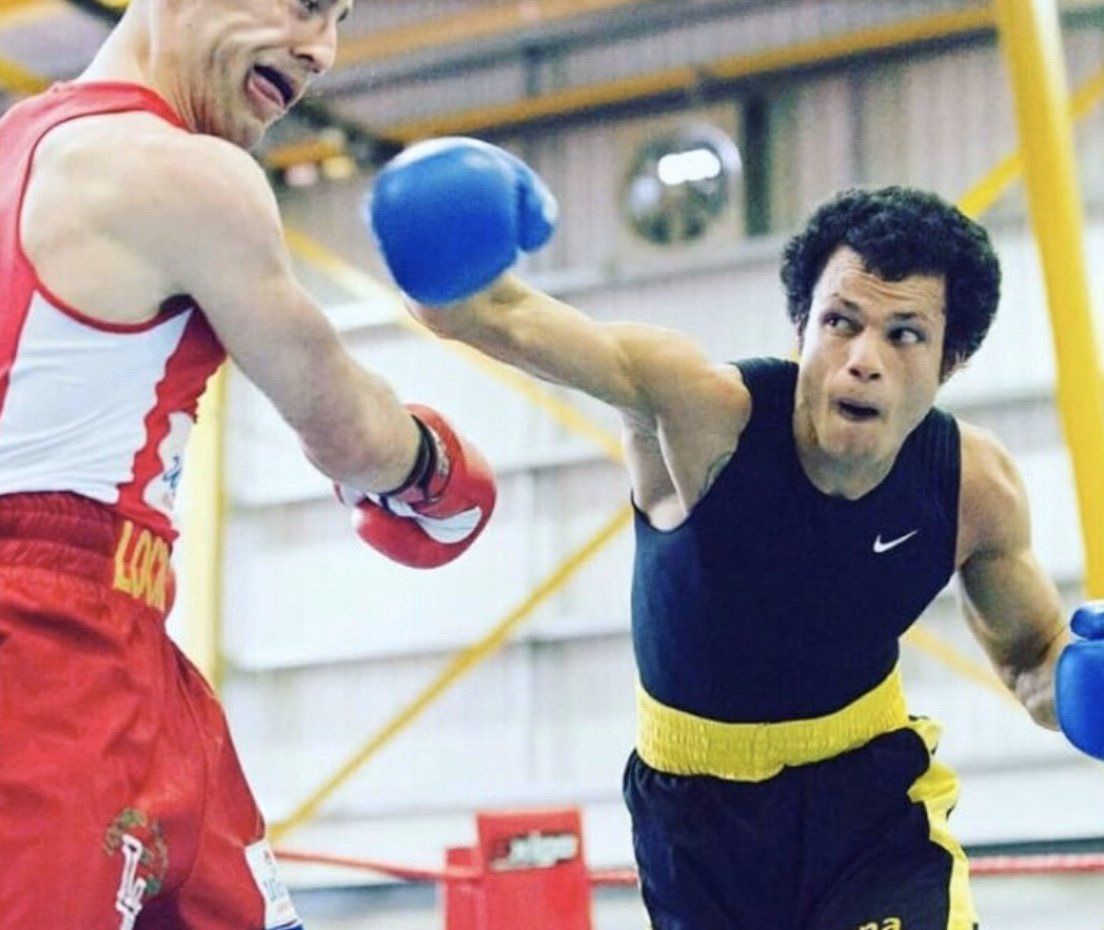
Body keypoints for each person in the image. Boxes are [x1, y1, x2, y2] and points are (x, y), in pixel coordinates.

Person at [367, 138, 1104, 930]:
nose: (863, 360)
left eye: (905, 335)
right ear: (802, 327)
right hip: (696, 825)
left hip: (869, 805)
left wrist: (1080, 687)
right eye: (841, 322)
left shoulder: (972, 485)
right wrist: (440, 243)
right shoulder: (702, 415)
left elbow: (1032, 657)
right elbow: (480, 313)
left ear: (950, 362)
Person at [0, 1, 497, 927]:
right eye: (304, 3)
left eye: (338, 17)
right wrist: (432, 467)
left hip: (123, 637)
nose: (323, 49)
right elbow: (346, 428)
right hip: (47, 656)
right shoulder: (181, 171)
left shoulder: (21, 145)